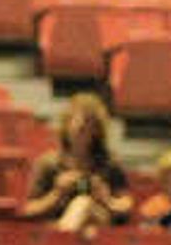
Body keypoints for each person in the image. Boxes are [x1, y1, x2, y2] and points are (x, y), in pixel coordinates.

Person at [20, 90, 134, 236]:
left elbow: (126, 206)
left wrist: (106, 199)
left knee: (83, 204)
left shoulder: (109, 163)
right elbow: (29, 210)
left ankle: (64, 241)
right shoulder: (48, 163)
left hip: (99, 226)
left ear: (97, 131)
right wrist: (57, 193)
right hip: (58, 224)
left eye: (88, 127)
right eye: (79, 128)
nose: (83, 133)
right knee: (85, 227)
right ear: (66, 127)